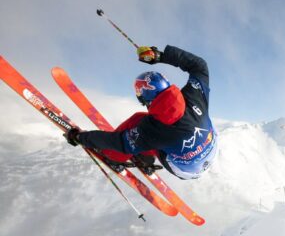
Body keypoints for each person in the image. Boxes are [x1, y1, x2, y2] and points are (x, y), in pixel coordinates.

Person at [64, 45, 217, 180]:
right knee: (154, 139)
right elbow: (199, 66)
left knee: (137, 123)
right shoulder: (194, 97)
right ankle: (145, 158)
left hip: (184, 170)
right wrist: (161, 56)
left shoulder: (151, 130)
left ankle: (114, 158)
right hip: (212, 151)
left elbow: (119, 142)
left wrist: (80, 137)